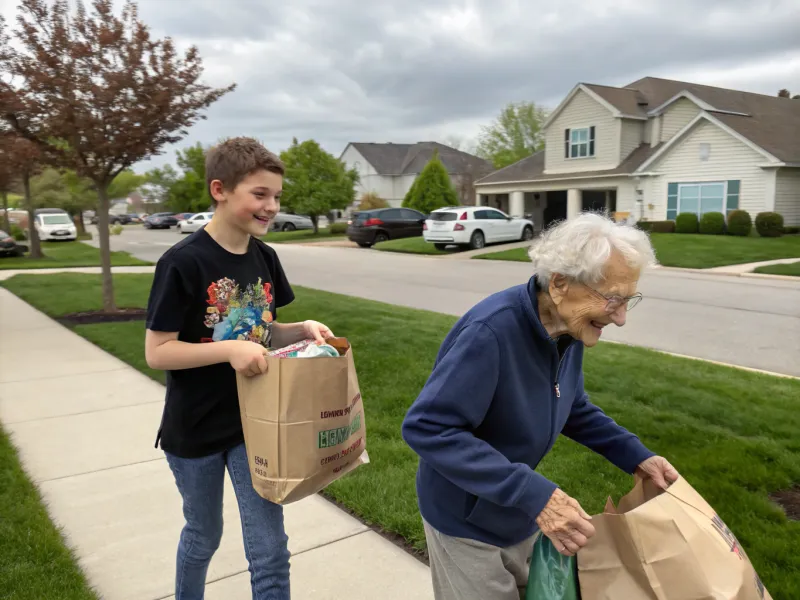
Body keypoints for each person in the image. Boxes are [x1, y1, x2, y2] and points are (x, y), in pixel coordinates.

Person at [401, 213, 679, 600]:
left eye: (628, 300)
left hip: (514, 512)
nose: (621, 317)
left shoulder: (568, 329)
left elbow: (572, 407)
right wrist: (535, 495)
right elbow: (427, 427)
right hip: (465, 520)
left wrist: (636, 456)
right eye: (613, 299)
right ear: (561, 284)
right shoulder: (490, 333)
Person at [144, 137, 334, 600]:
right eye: (260, 194)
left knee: (270, 550)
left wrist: (303, 328)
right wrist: (227, 351)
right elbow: (159, 351)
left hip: (256, 424)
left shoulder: (265, 257)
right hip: (196, 430)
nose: (271, 206)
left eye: (276, 196)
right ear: (220, 190)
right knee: (204, 533)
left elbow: (262, 331)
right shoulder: (182, 263)